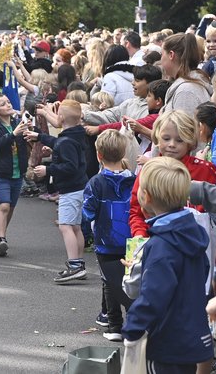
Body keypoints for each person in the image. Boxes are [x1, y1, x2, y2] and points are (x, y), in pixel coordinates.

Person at [122, 157, 214, 371]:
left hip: (167, 341)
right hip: (190, 337)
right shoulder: (194, 233)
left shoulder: (161, 244)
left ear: (146, 196)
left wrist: (133, 327)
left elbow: (153, 294)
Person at [24, 99, 90, 283]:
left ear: (60, 117)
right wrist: (41, 137)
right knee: (75, 227)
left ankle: (74, 265)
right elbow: (61, 144)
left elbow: (70, 166)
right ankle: (79, 263)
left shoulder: (66, 141)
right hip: (78, 187)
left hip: (70, 189)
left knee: (65, 226)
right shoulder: (75, 134)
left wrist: (48, 170)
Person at [81, 130, 136, 342]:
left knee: (109, 281)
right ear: (124, 153)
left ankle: (114, 325)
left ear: (98, 155)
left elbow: (88, 211)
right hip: (131, 238)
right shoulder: (134, 179)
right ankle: (133, 321)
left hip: (106, 240)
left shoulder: (96, 182)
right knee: (132, 278)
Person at [128, 111, 216, 239]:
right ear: (157, 138)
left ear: (190, 142)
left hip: (197, 243)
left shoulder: (205, 170)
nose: (172, 144)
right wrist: (139, 235)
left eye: (179, 140)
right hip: (156, 241)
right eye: (166, 138)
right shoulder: (148, 170)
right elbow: (136, 210)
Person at [0, 94, 30, 257]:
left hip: (18, 172)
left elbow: (25, 141)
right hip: (3, 173)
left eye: (8, 102)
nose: (8, 105)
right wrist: (14, 134)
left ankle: (0, 232)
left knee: (11, 207)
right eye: (3, 104)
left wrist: (29, 131)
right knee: (4, 206)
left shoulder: (16, 122)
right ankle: (2, 239)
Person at [161, 33, 212, 115]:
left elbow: (185, 127)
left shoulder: (186, 91)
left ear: (171, 55)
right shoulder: (187, 86)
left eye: (162, 54)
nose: (161, 60)